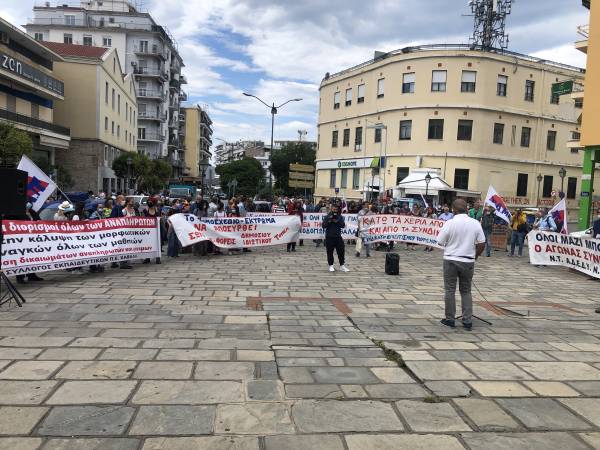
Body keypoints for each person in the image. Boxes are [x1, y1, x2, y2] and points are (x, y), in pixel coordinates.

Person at [436, 199, 486, 330]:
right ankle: (467, 320)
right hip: (468, 260)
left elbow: (440, 241)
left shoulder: (450, 223)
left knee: (450, 290)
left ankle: (450, 319)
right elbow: (482, 243)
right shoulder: (475, 223)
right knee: (466, 290)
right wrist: (475, 255)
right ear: (467, 209)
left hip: (451, 260)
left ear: (453, 210)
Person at [322, 204, 349, 272]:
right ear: (331, 209)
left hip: (338, 236)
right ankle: (331, 265)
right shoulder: (327, 216)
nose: (335, 211)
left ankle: (342, 265)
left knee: (341, 251)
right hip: (329, 236)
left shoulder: (340, 216)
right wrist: (329, 220)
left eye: (336, 209)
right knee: (330, 252)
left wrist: (337, 221)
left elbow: (343, 225)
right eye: (333, 209)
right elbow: (323, 226)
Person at [143, 198, 162, 264]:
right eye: (148, 202)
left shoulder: (158, 210)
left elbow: (160, 219)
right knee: (147, 243)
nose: (149, 203)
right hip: (147, 230)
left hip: (156, 230)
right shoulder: (145, 210)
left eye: (151, 202)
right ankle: (147, 258)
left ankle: (158, 258)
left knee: (157, 243)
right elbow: (142, 219)